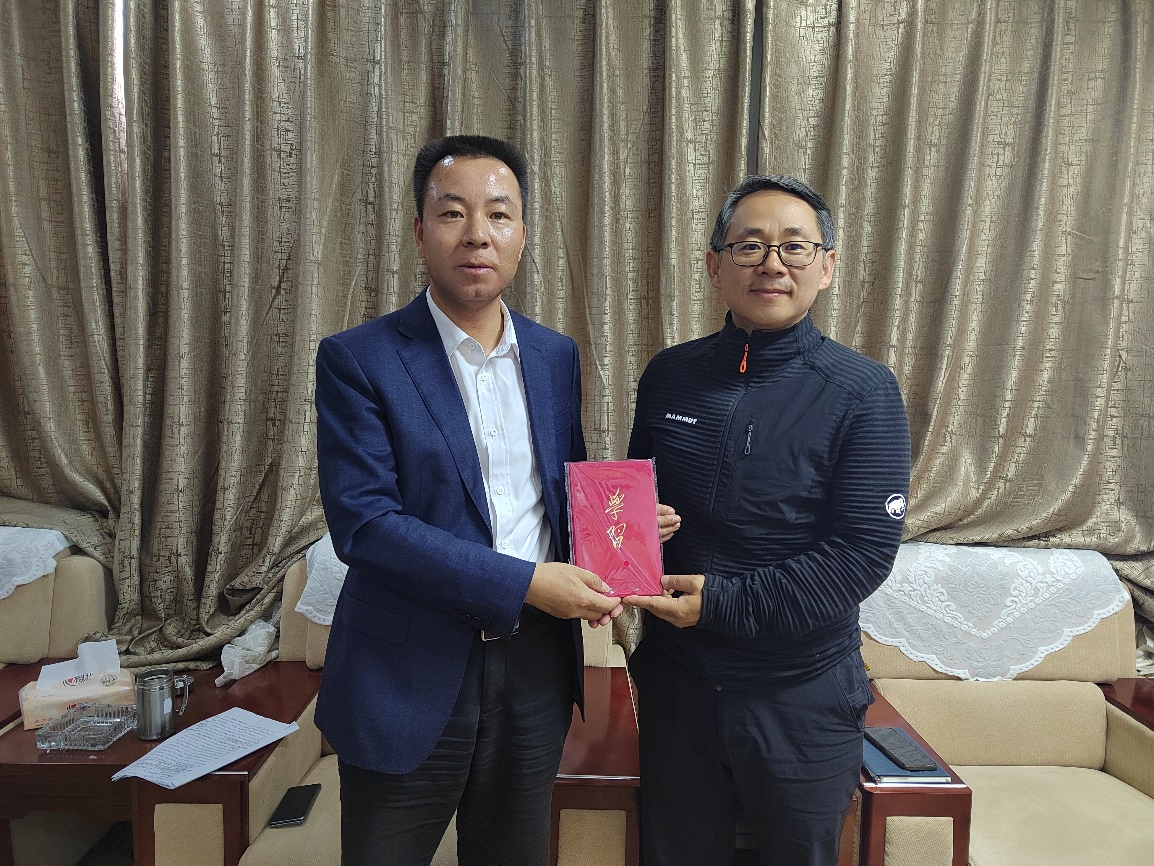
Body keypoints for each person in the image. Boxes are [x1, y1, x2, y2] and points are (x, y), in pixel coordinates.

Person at [313, 135, 625, 866]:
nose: (477, 234)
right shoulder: (359, 358)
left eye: (498, 214)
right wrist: (526, 582)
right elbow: (366, 525)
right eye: (453, 213)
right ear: (420, 232)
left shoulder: (553, 355)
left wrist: (617, 530)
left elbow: (551, 491)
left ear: (523, 234)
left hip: (536, 670)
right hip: (406, 672)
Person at [624, 175, 911, 866]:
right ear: (714, 264)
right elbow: (630, 504)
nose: (772, 263)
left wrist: (722, 602)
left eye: (794, 246)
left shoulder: (863, 392)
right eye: (749, 245)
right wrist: (633, 534)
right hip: (677, 685)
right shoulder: (670, 375)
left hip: (801, 695)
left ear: (826, 266)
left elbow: (862, 554)